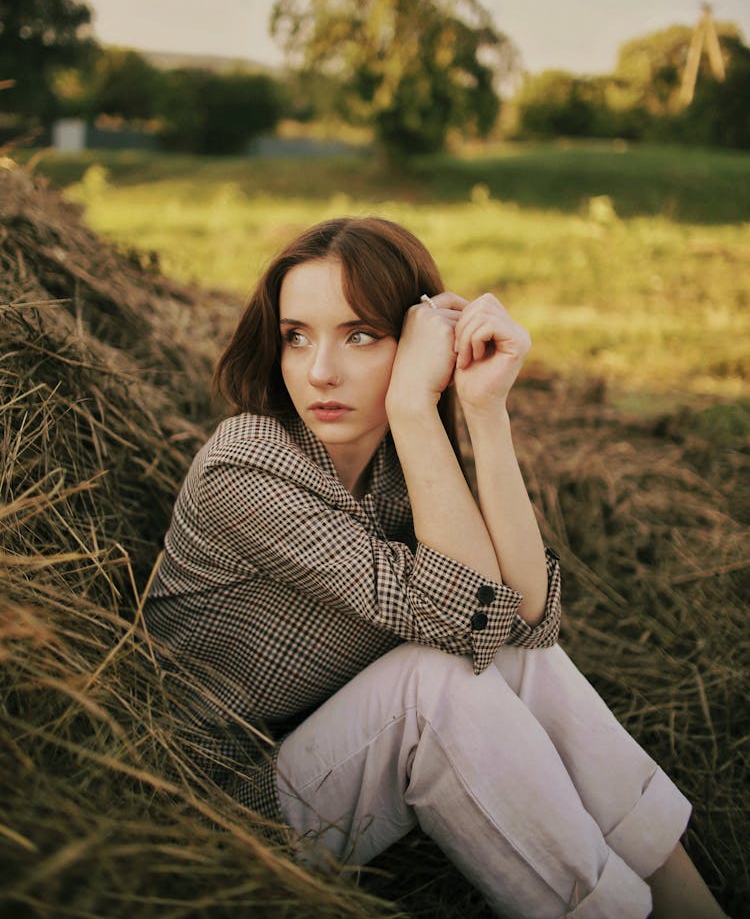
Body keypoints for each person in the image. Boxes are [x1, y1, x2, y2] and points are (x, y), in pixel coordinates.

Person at [144, 217, 727, 919]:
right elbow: (476, 618)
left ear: (416, 344)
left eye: (360, 334)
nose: (319, 369)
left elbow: (526, 627)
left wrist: (484, 410)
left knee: (516, 665)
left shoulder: (392, 467)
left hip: (320, 755)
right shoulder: (247, 467)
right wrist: (414, 407)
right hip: (212, 809)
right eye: (297, 335)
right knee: (437, 684)